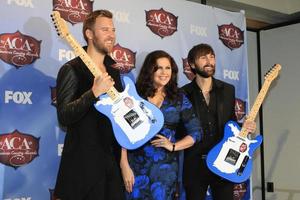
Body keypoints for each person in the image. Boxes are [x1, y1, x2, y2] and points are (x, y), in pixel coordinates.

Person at [54, 10, 125, 200]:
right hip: (81, 167)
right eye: (104, 29)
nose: (111, 34)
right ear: (89, 34)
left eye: (113, 29)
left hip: (112, 165)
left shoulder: (115, 71)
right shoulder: (71, 69)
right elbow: (64, 115)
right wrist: (93, 93)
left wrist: (124, 163)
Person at [120, 50, 202, 200]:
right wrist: (124, 165)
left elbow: (196, 132)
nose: (164, 72)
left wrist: (173, 146)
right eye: (159, 68)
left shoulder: (178, 98)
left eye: (168, 68)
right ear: (150, 70)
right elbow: (122, 131)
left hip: (166, 171)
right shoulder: (135, 95)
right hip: (135, 167)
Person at [181, 43, 256, 200]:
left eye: (212, 56)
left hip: (224, 161)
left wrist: (244, 127)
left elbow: (231, 123)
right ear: (192, 64)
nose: (209, 61)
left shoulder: (228, 90)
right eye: (203, 57)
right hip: (195, 164)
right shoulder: (182, 93)